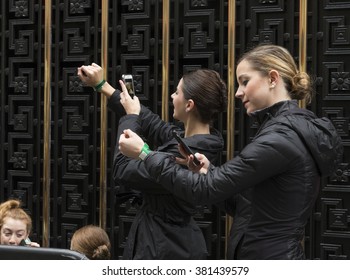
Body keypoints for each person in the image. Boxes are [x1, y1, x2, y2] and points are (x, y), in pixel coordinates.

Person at [118, 44, 344, 259]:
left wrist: (145, 154)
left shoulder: (280, 138)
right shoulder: (284, 131)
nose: (238, 92)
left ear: (272, 79)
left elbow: (206, 190)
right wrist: (208, 171)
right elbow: (246, 208)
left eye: (245, 82)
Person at [77, 63, 228, 259]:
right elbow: (152, 122)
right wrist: (102, 85)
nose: (172, 97)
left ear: (189, 105)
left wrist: (131, 117)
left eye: (176, 92)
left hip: (163, 247)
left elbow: (122, 169)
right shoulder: (191, 140)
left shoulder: (188, 154)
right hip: (163, 240)